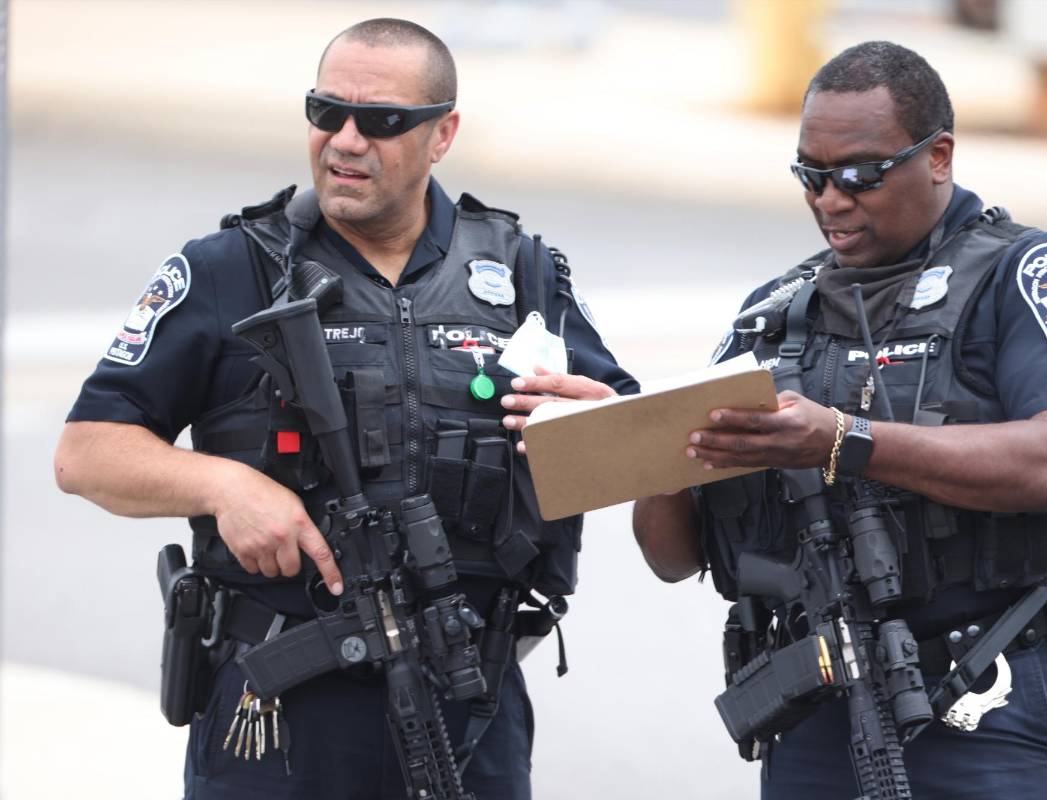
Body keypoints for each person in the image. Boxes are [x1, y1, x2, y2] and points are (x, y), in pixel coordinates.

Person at [54, 18, 636, 800]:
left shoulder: (523, 272)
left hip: (471, 702)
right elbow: (86, 451)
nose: (345, 140)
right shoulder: (230, 268)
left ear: (443, 134)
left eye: (383, 121)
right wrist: (225, 488)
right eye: (326, 111)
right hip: (280, 716)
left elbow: (638, 445)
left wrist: (594, 425)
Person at [632, 41, 1047, 800]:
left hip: (993, 707)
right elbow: (673, 557)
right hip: (817, 709)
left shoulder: (1026, 274)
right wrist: (646, 448)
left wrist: (844, 440)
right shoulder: (772, 316)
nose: (832, 199)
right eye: (812, 174)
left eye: (861, 174)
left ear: (938, 157)